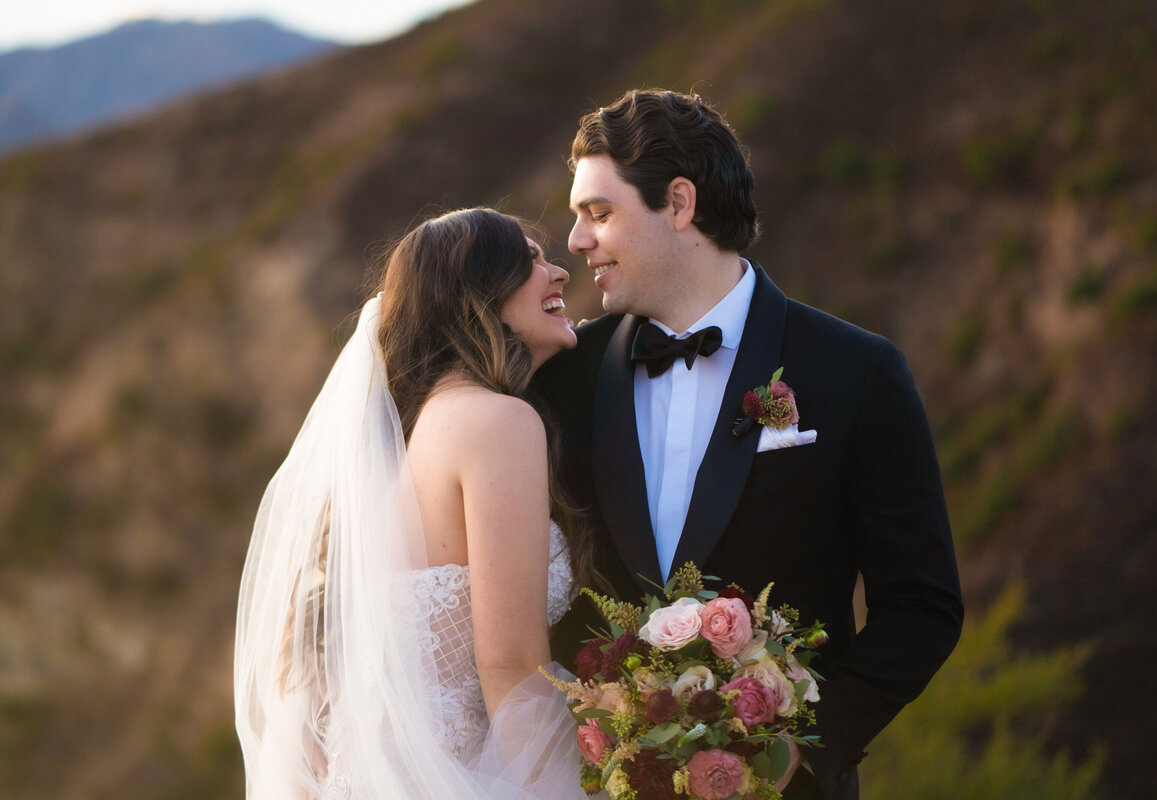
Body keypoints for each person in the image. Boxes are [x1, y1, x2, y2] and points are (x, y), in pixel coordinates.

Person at [533, 89, 964, 800]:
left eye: (598, 214)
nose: (576, 242)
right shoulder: (561, 380)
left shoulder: (854, 371)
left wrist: (797, 751)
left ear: (678, 203)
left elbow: (922, 604)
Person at [234, 208, 593, 799]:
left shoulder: (408, 436)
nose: (557, 272)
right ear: (479, 291)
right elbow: (509, 664)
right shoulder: (497, 423)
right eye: (530, 260)